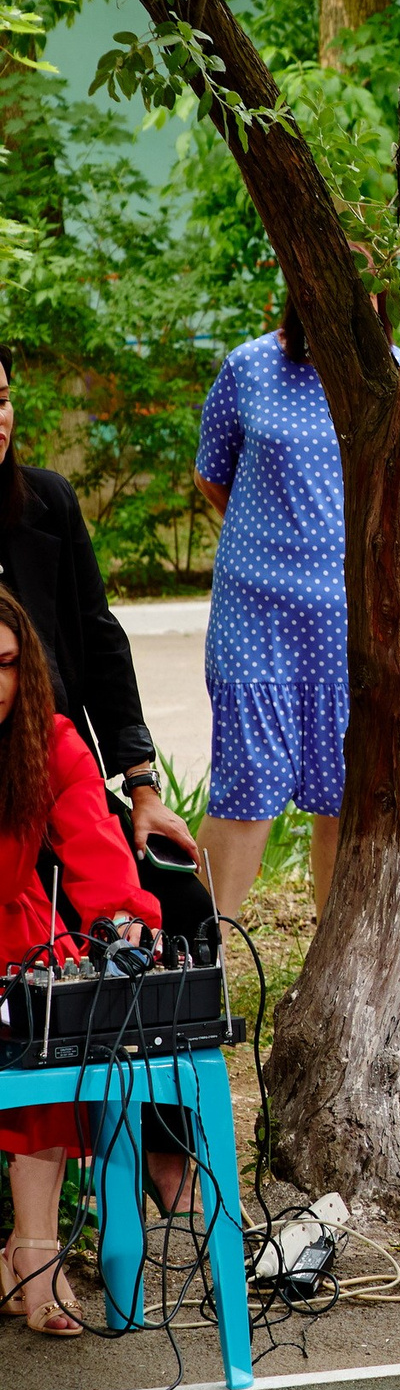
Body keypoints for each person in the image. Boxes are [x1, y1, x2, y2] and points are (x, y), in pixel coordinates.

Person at [2, 346, 215, 1214]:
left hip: (60, 772)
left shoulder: (45, 500)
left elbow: (99, 634)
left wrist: (143, 785)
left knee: (179, 909)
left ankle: (161, 1148)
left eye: (4, 398)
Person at [0, 586, 162, 1337]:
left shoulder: (47, 735)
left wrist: (124, 919)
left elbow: (96, 846)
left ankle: (34, 1256)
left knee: (49, 1056)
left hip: (17, 935)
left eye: (6, 665)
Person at [192, 300, 363, 920]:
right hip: (255, 616)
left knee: (348, 796)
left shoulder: (399, 373)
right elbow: (214, 477)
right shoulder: (249, 366)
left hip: (353, 620)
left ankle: (333, 964)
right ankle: (199, 972)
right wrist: (273, 546)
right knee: (245, 788)